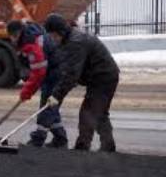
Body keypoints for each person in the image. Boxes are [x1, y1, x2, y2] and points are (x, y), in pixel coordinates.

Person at [44, 13, 120, 152]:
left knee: (89, 111)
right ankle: (108, 146)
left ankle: (82, 147)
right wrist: (57, 93)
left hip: (103, 76)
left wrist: (56, 95)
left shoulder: (75, 42)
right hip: (99, 76)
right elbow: (65, 69)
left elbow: (72, 74)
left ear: (60, 32)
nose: (53, 40)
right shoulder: (68, 40)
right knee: (99, 112)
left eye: (54, 36)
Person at [6, 20, 68, 148]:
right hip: (52, 72)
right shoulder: (30, 35)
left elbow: (38, 72)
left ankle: (37, 139)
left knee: (46, 106)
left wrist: (26, 92)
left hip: (56, 74)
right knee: (50, 106)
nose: (11, 40)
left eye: (11, 37)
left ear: (16, 34)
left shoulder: (31, 43)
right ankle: (60, 138)